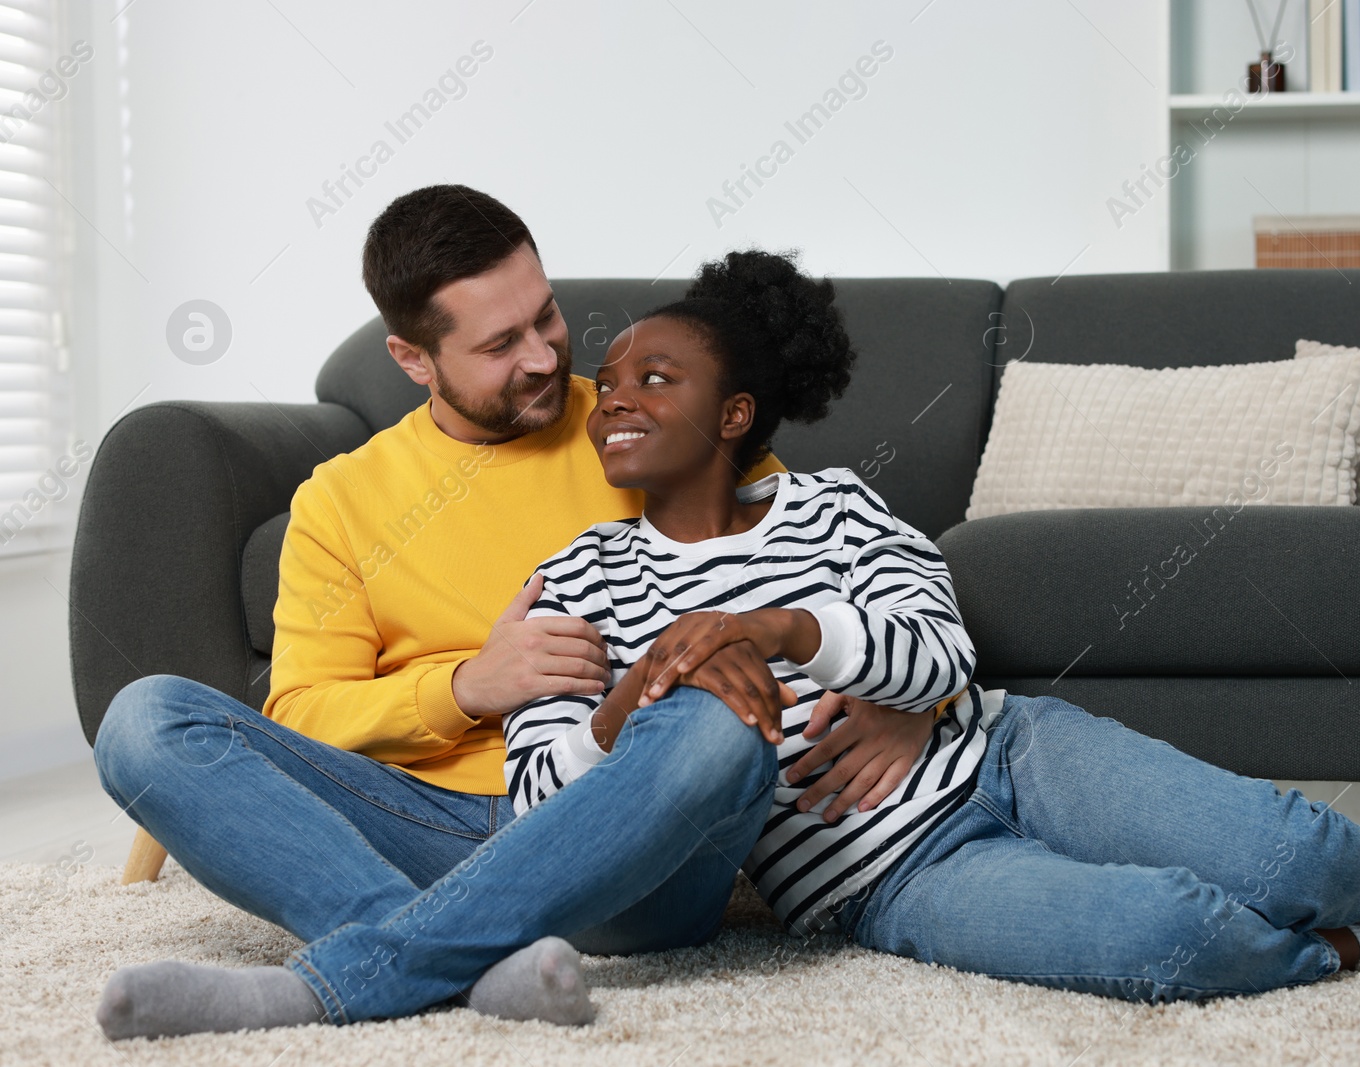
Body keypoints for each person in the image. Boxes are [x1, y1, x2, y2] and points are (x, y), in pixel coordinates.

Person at [501, 247, 1360, 1002]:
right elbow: (539, 805)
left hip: (1007, 750)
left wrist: (782, 629)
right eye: (608, 385)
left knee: (1284, 849)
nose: (617, 401)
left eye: (654, 377)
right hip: (884, 876)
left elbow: (939, 644)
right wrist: (623, 705)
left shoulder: (833, 505)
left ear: (733, 414)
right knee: (1172, 936)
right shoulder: (579, 577)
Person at [91, 187, 938, 1040]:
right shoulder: (342, 501)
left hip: (629, 837)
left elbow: (814, 566)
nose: (542, 356)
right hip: (430, 828)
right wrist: (463, 688)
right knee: (144, 721)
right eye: (501, 343)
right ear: (413, 358)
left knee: (718, 716)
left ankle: (382, 962)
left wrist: (914, 702)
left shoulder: (641, 419)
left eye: (547, 317)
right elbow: (302, 714)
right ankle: (469, 960)